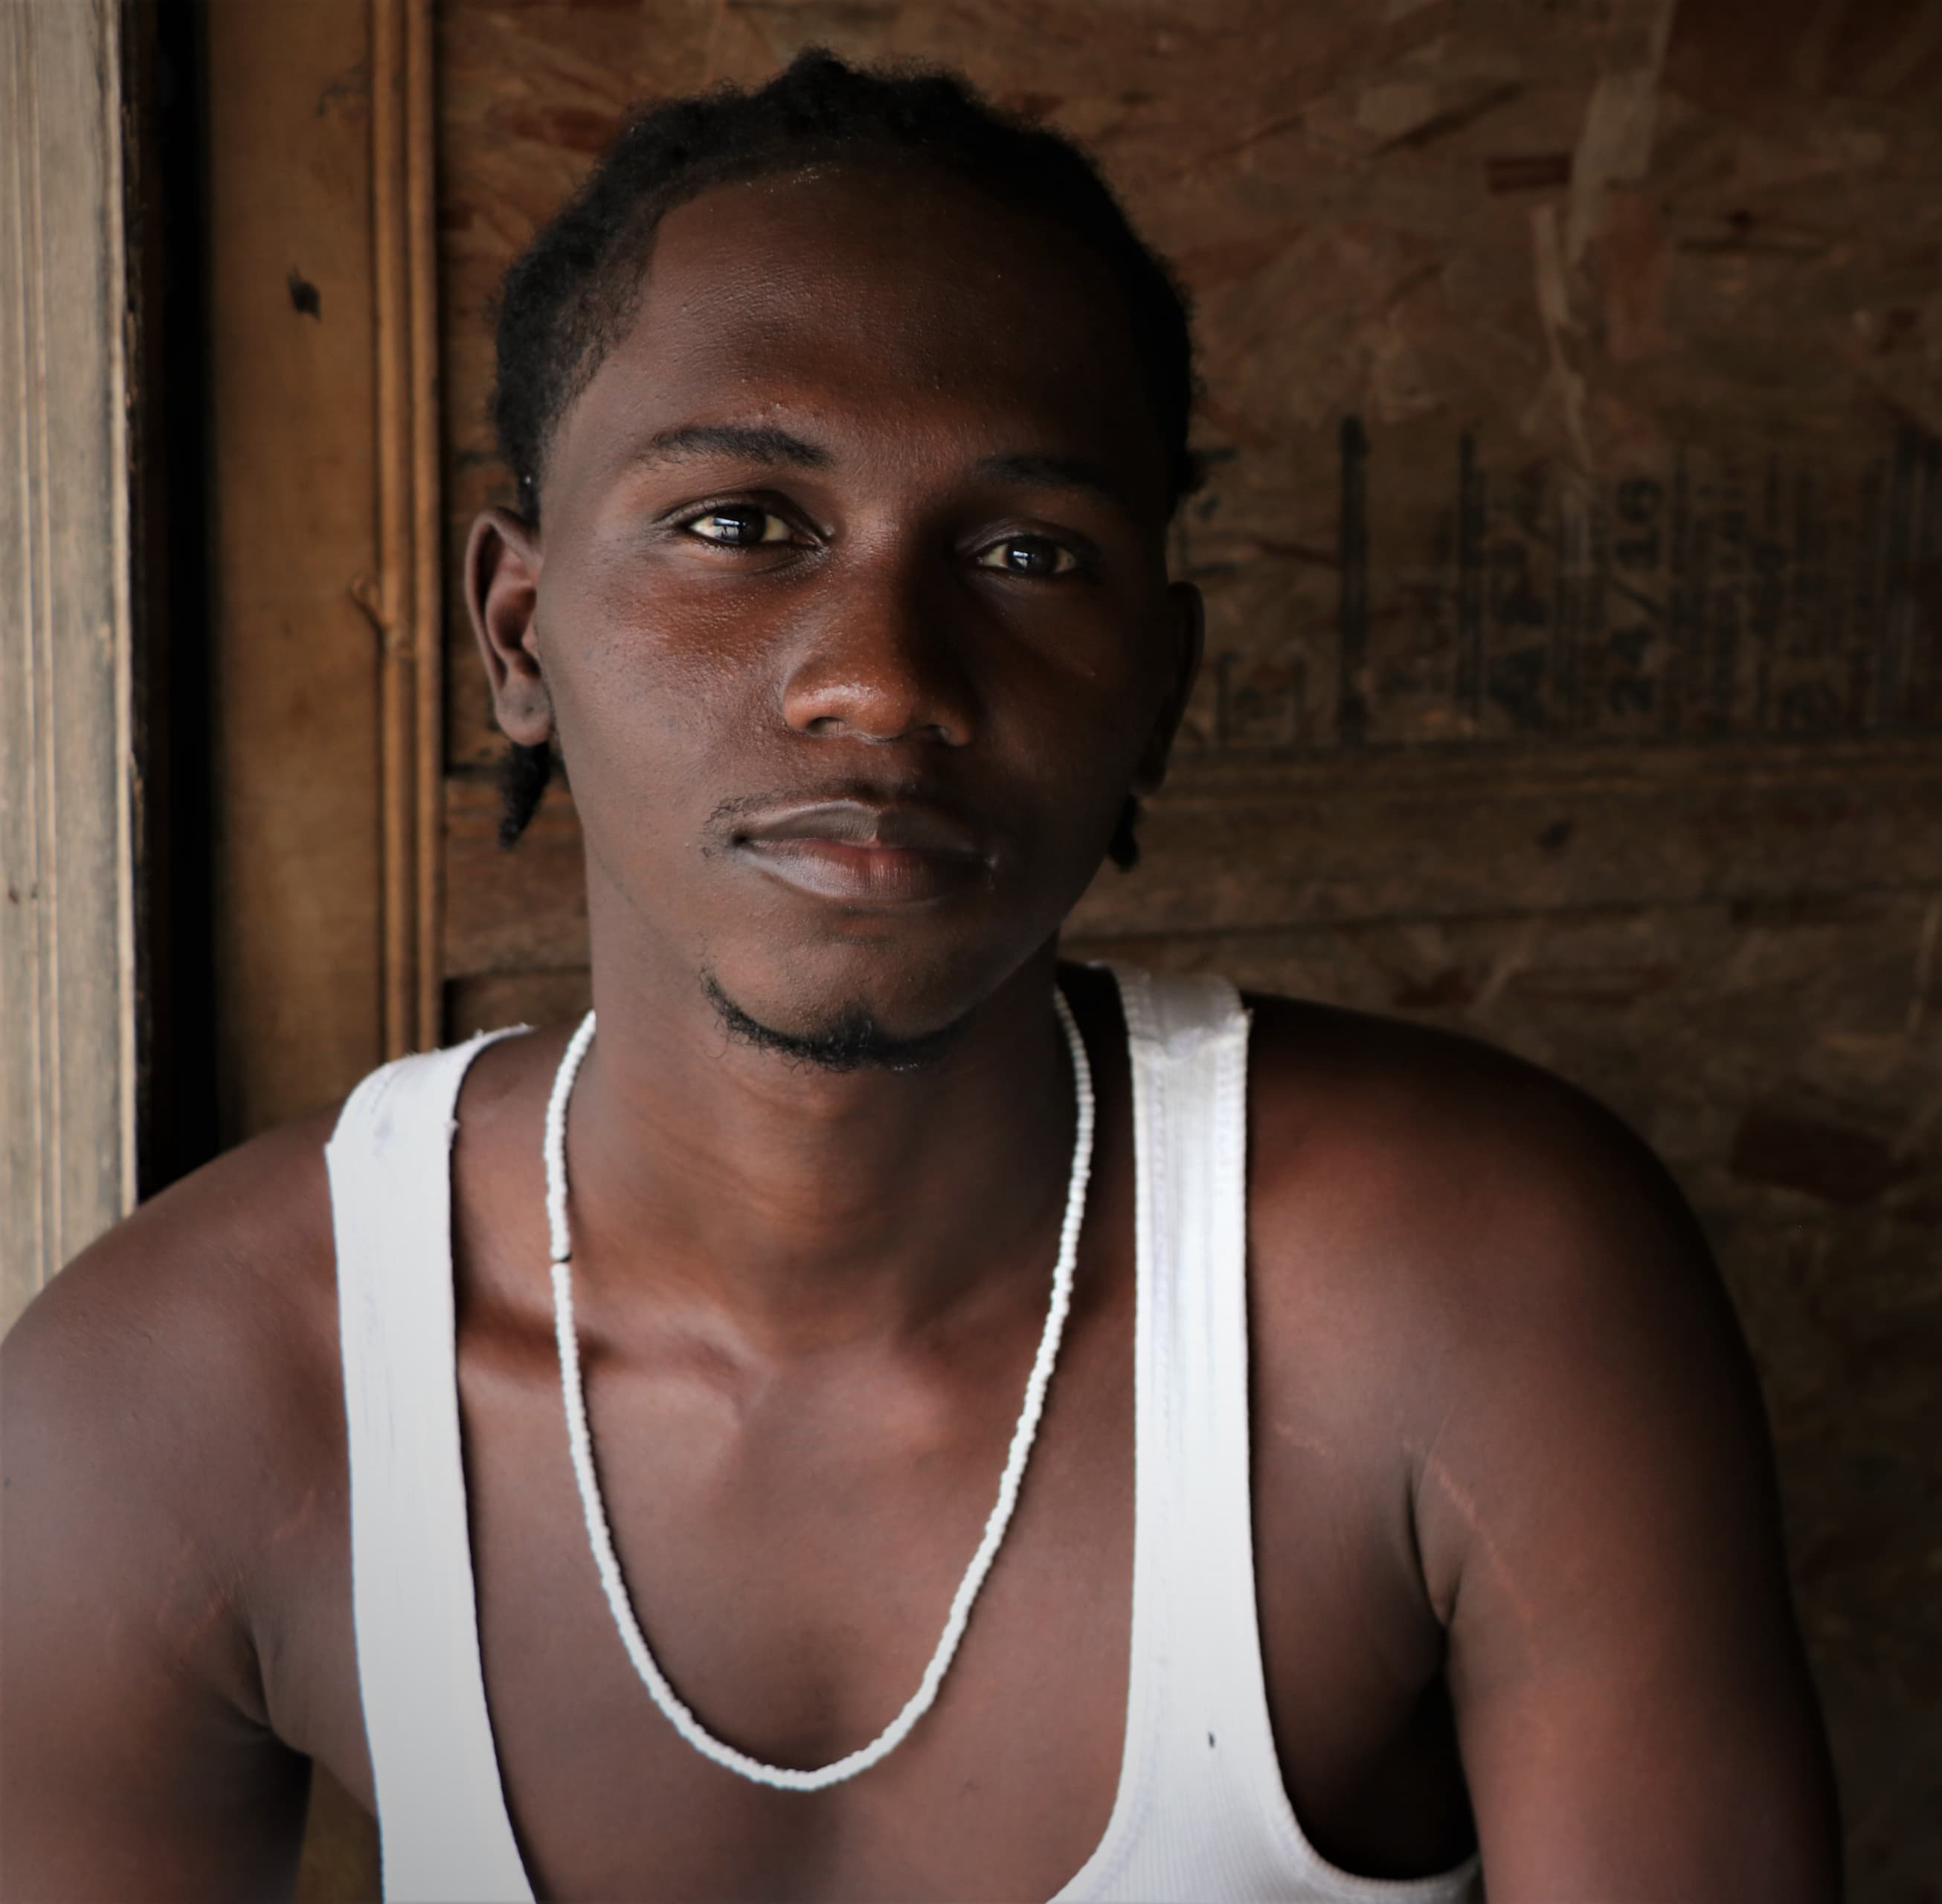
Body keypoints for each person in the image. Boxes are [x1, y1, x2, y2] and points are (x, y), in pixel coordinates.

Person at [0, 51, 1838, 1903]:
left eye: (1029, 553)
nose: (882, 677)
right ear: (517, 628)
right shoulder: (190, 1401)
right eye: (741, 522)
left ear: (1161, 692)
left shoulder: (1473, 1288)